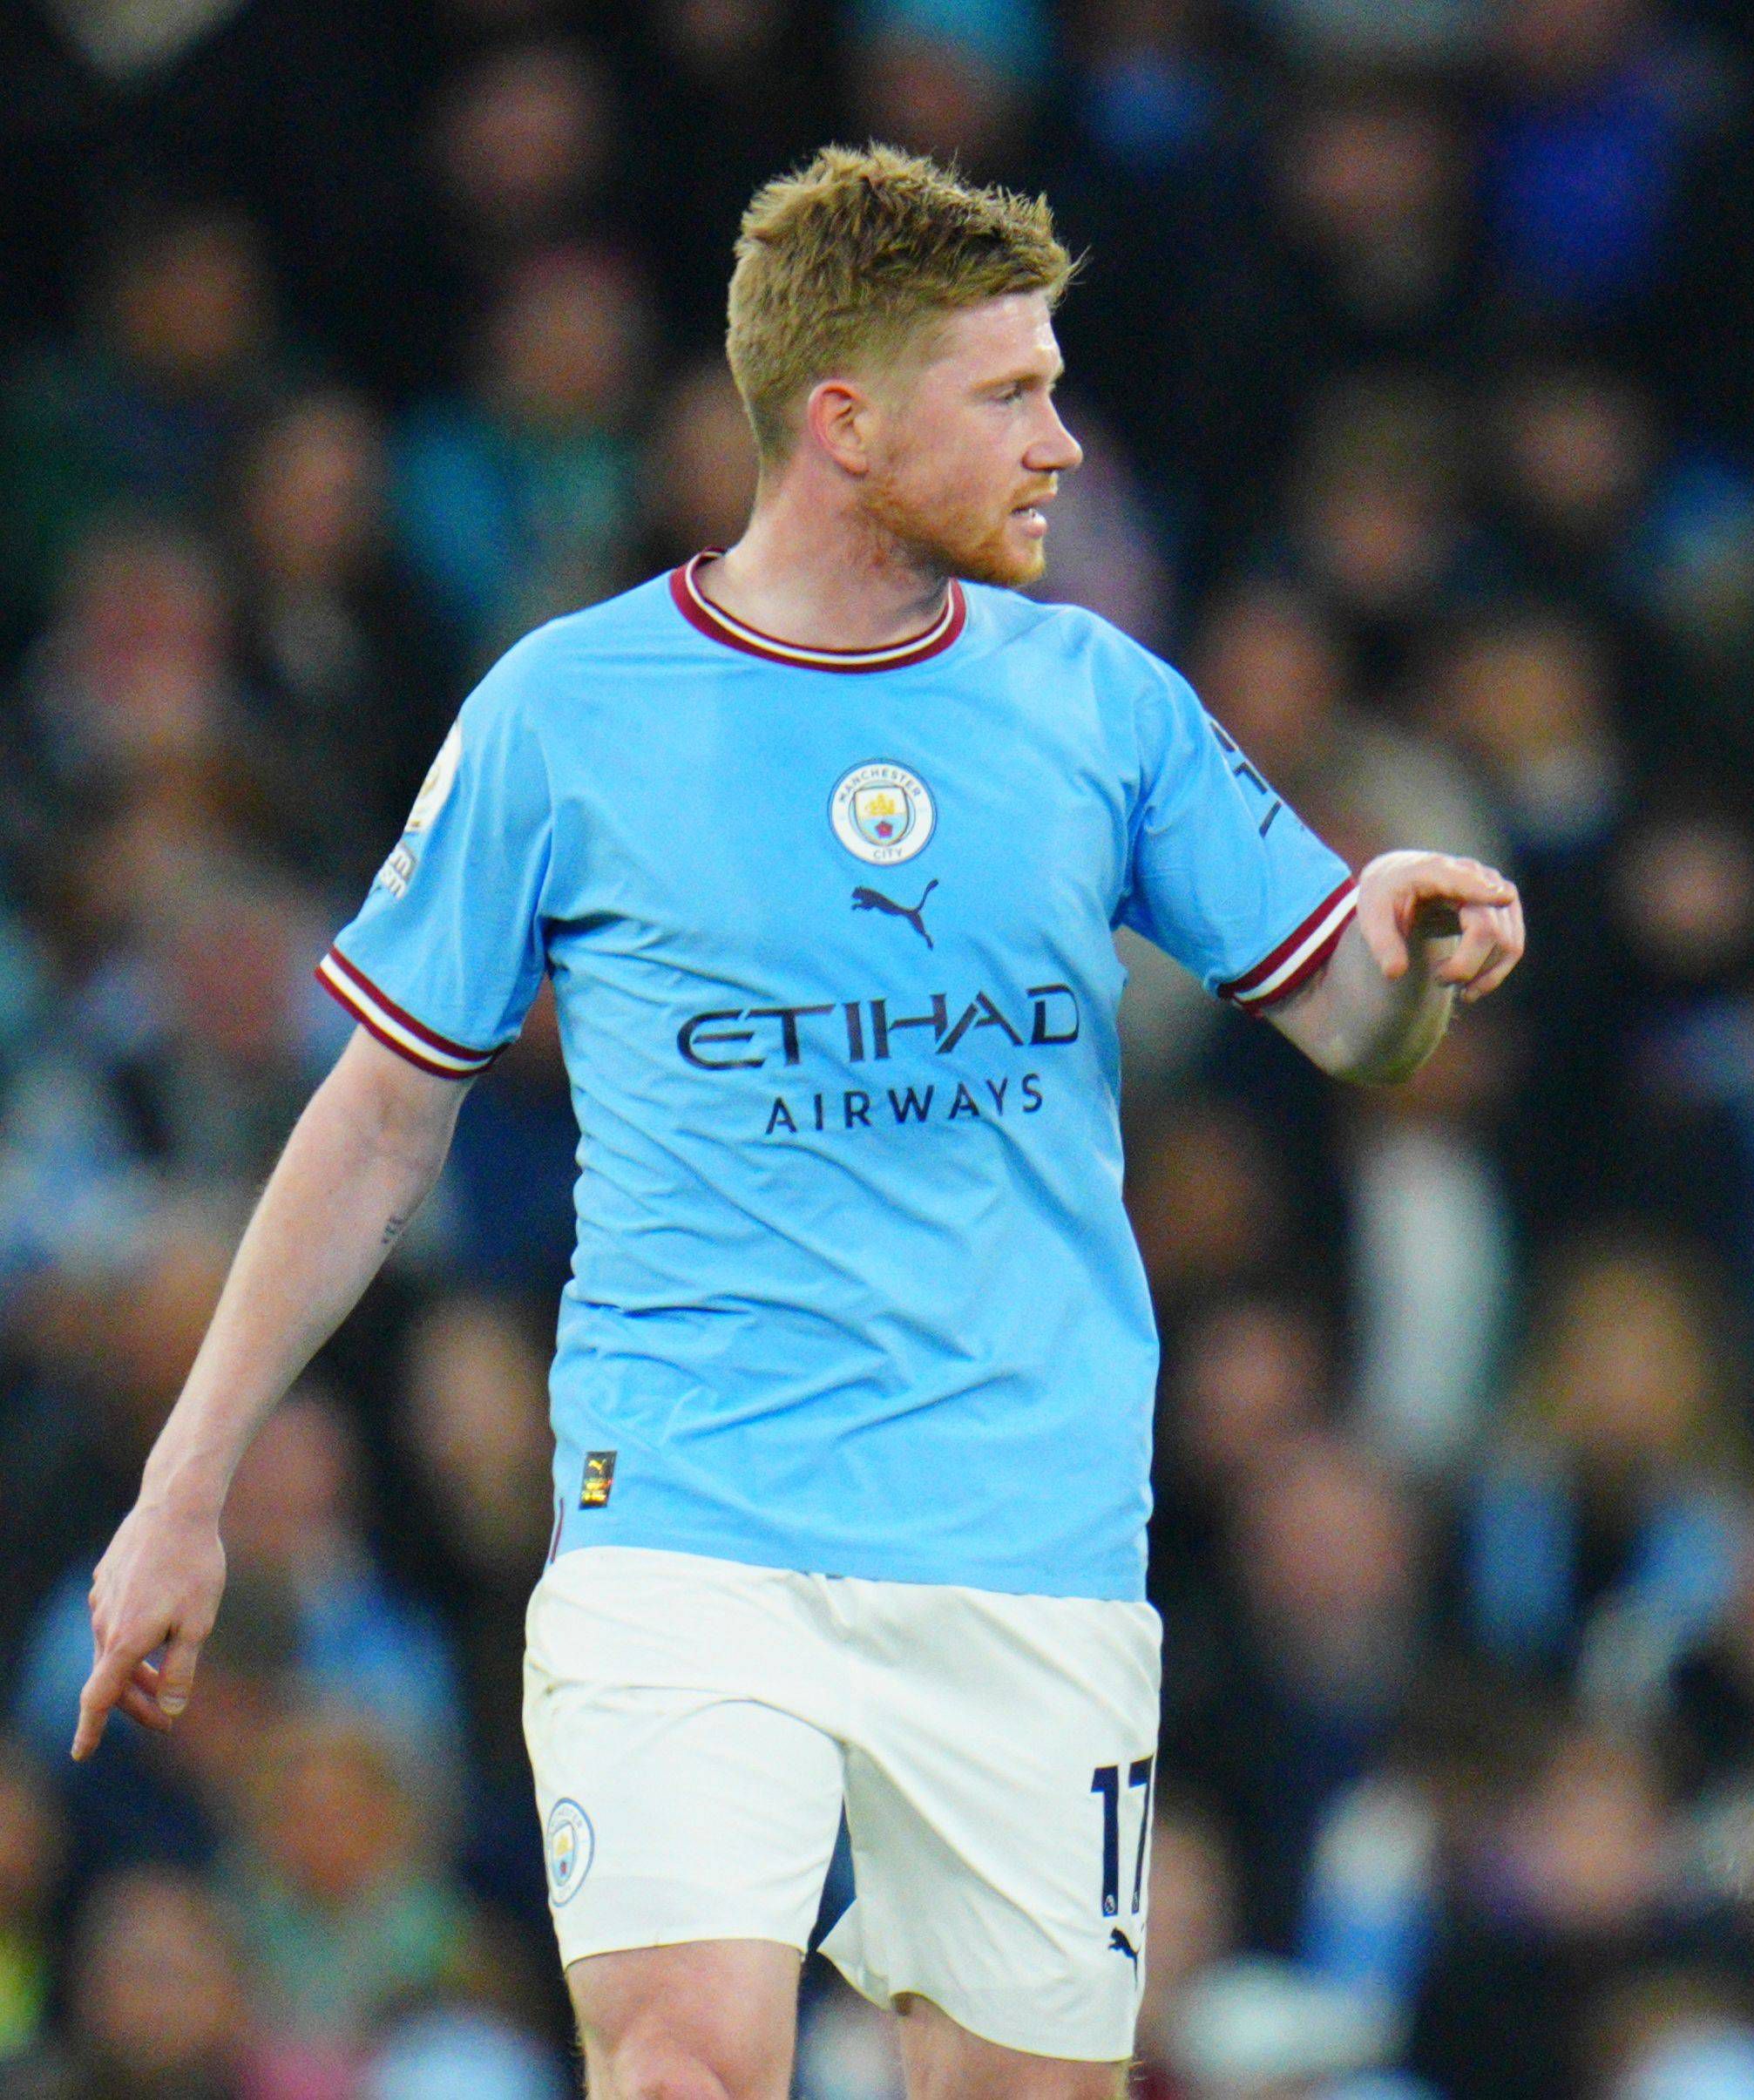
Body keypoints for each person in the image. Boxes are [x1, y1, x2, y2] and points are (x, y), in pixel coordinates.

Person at [67, 146, 1525, 2100]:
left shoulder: (1099, 699)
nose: (1064, 444)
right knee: (684, 2067)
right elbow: (376, 1127)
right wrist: (185, 1485)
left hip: (1027, 1526)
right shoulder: (564, 711)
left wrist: (1412, 935)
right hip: (687, 1520)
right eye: (1011, 392)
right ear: (842, 421)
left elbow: (1353, 1019)